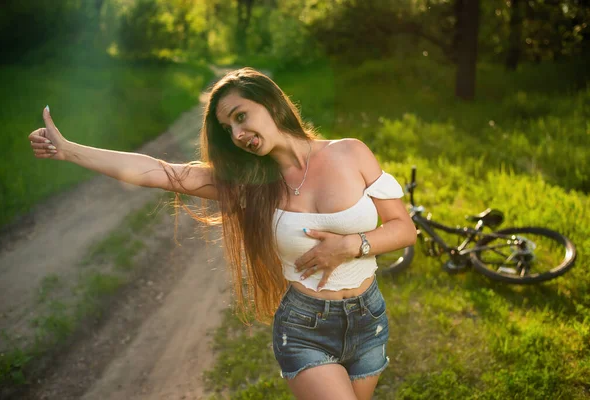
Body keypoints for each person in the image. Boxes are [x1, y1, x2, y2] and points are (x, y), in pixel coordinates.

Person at [28, 67, 416, 400]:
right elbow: (158, 171)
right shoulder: (250, 184)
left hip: (369, 319)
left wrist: (352, 245)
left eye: (241, 117)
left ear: (271, 103)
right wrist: (69, 151)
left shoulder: (350, 153)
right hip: (306, 328)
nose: (237, 133)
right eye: (228, 128)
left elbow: (404, 229)